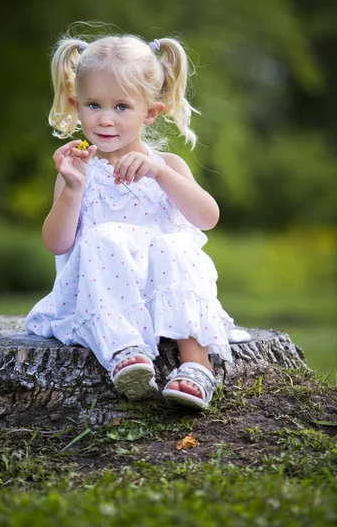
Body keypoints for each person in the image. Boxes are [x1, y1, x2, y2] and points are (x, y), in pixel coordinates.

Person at [25, 32, 250, 410]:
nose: (106, 119)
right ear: (74, 104)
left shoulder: (168, 167)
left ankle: (197, 366)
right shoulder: (80, 173)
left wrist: (160, 175)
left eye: (122, 107)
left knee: (175, 245)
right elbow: (57, 243)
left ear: (150, 113)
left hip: (162, 291)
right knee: (101, 237)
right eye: (93, 105)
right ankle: (126, 352)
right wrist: (72, 189)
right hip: (103, 296)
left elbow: (208, 218)